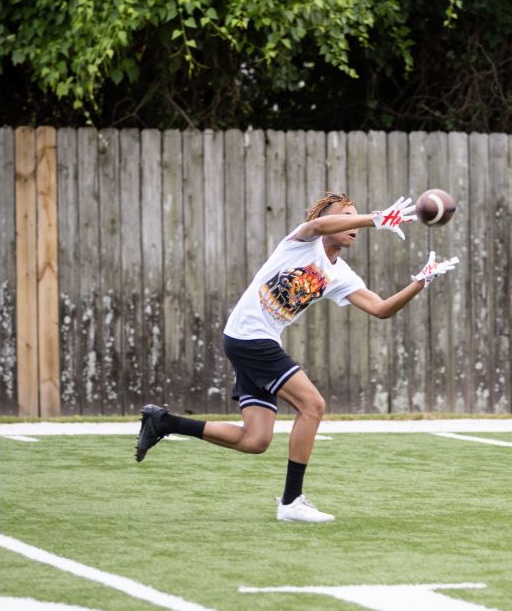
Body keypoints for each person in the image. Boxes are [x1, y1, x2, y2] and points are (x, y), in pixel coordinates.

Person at [134, 191, 460, 522]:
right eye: (347, 216)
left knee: (255, 440)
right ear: (331, 218)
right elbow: (318, 225)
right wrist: (376, 218)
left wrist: (420, 282)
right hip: (251, 338)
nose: (354, 225)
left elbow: (379, 308)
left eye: (356, 219)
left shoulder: (340, 274)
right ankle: (291, 502)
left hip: (252, 340)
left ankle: (163, 422)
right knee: (313, 405)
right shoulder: (302, 241)